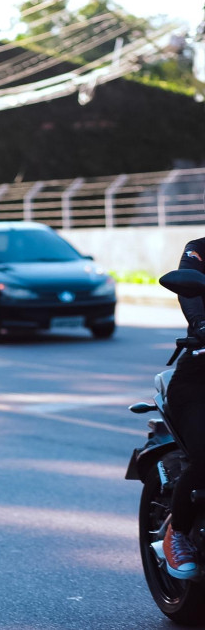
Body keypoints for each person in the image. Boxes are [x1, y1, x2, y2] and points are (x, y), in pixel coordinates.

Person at [163, 228, 205, 579]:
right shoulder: (199, 250)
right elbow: (190, 295)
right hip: (198, 381)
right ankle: (177, 533)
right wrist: (202, 323)